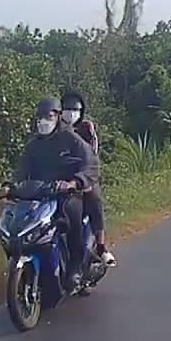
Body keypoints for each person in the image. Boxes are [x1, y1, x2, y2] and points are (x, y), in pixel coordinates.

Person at [11, 97, 100, 290]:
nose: (44, 121)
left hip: (68, 193)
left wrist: (74, 182)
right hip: (41, 193)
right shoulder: (33, 145)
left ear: (58, 117)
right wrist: (10, 185)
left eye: (49, 116)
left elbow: (90, 162)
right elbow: (21, 169)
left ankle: (75, 267)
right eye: (40, 117)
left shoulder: (71, 138)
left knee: (72, 214)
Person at [59, 91, 116, 267]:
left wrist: (83, 179)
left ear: (81, 112)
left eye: (75, 110)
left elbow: (92, 155)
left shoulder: (86, 128)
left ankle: (101, 246)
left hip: (84, 176)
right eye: (67, 109)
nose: (71, 113)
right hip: (60, 178)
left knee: (94, 198)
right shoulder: (55, 129)